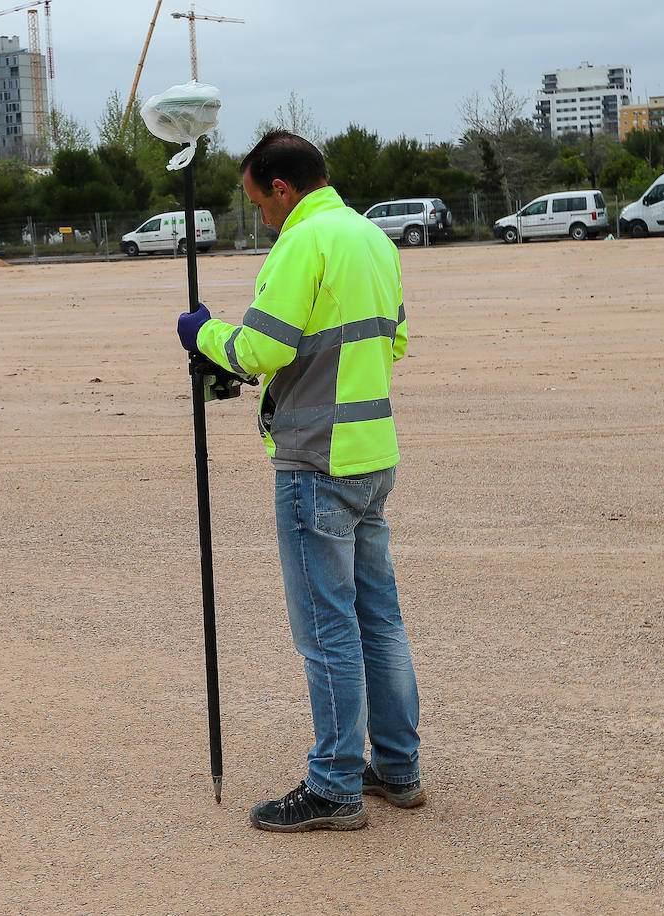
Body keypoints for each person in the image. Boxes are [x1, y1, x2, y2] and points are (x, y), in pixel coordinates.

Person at [176, 130, 422, 833]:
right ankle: (397, 769)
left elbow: (260, 346)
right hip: (374, 457)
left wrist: (203, 335)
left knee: (327, 631)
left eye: (259, 203)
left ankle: (335, 786)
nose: (260, 218)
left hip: (316, 464)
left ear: (283, 189)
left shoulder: (303, 243)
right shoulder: (373, 239)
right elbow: (393, 340)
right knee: (379, 619)